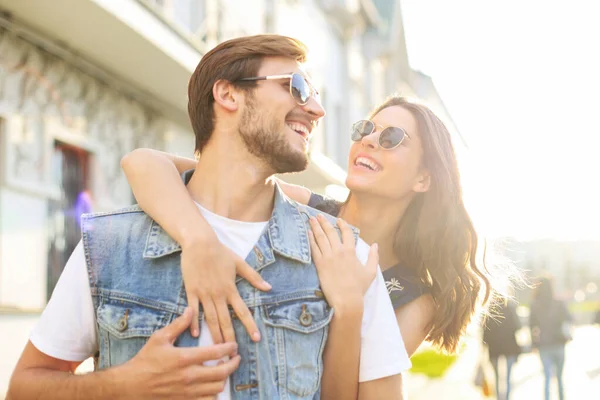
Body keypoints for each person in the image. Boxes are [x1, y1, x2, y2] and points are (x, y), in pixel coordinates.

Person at [7, 34, 409, 400]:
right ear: (228, 95)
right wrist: (125, 384)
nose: (317, 110)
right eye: (297, 88)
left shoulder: (344, 255)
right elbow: (23, 389)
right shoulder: (111, 246)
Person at [122, 93, 496, 380]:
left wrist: (349, 309)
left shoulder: (413, 297)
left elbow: (359, 393)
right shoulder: (298, 207)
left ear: (423, 179)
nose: (368, 141)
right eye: (365, 129)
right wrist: (197, 240)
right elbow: (142, 163)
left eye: (392, 138)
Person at [530, 276, 572, 400]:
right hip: (559, 342)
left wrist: (534, 344)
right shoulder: (558, 302)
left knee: (547, 377)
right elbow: (569, 318)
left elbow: (531, 326)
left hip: (544, 344)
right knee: (559, 378)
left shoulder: (535, 304)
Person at [483, 300, 522, 400]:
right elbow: (518, 326)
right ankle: (507, 397)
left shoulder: (489, 309)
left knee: (497, 377)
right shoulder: (510, 308)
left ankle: (498, 397)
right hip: (509, 347)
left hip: (494, 348)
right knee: (508, 377)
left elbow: (485, 332)